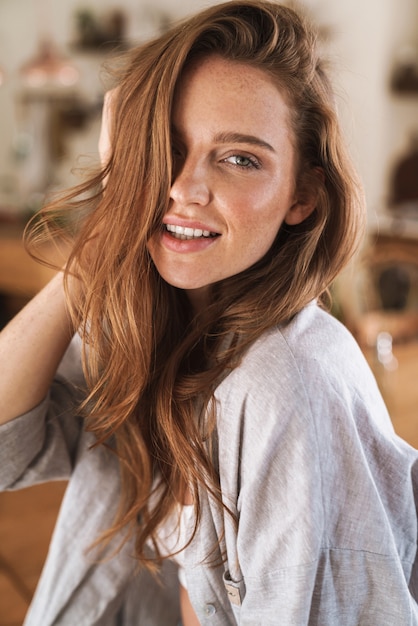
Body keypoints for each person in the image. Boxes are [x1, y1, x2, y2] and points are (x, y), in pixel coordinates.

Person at [1, 1, 418, 624]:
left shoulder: (287, 382)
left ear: (302, 194)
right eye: (163, 149)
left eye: (240, 158)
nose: (183, 188)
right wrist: (116, 216)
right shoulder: (160, 328)